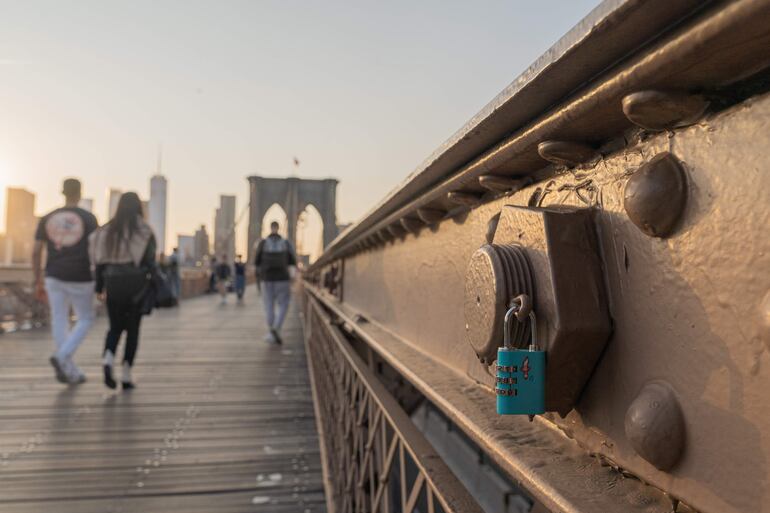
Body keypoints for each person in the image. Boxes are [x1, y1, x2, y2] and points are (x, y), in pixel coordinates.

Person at [33, 178, 98, 384]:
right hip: (81, 275)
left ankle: (69, 370)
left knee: (59, 319)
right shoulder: (88, 218)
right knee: (86, 318)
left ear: (62, 192)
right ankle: (62, 358)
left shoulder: (47, 217)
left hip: (53, 274)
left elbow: (36, 251)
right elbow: (96, 249)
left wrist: (37, 279)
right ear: (80, 193)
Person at [90, 192, 156, 390]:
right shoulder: (144, 231)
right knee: (133, 330)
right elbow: (150, 261)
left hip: (113, 283)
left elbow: (100, 262)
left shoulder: (107, 230)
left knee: (115, 327)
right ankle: (126, 375)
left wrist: (99, 287)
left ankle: (108, 359)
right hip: (136, 285)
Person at [254, 222, 296, 344]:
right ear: (278, 228)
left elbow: (256, 262)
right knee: (284, 304)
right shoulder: (286, 243)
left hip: (267, 278)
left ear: (270, 228)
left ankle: (271, 332)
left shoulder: (263, 243)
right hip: (283, 278)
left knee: (268, 305)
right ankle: (276, 328)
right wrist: (292, 277)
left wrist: (258, 278)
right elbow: (292, 261)